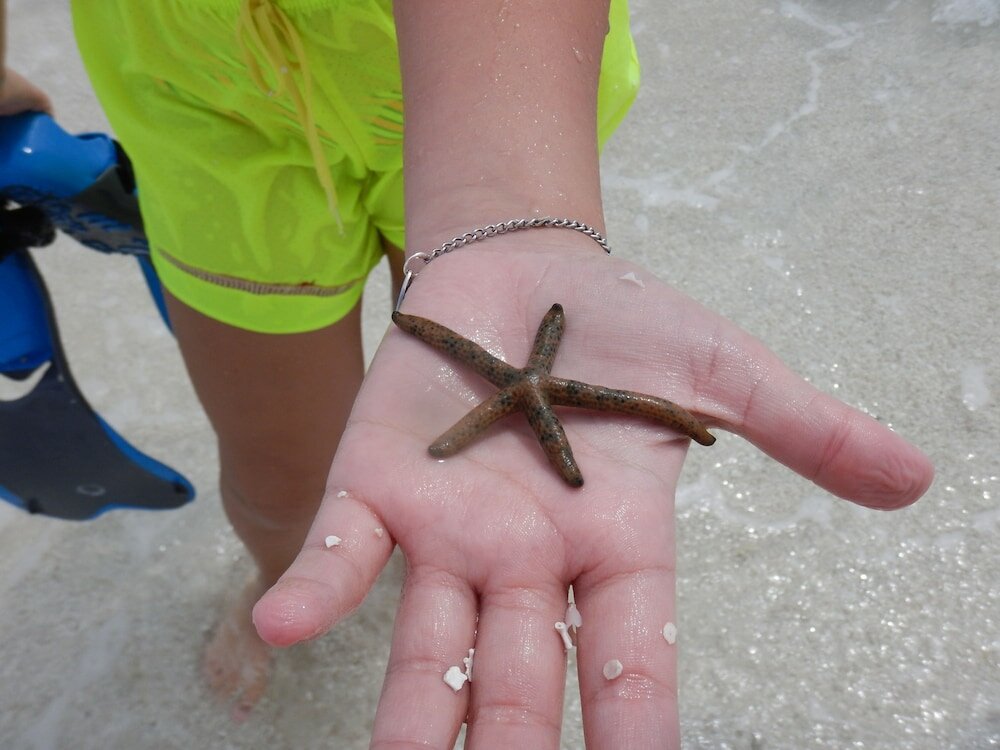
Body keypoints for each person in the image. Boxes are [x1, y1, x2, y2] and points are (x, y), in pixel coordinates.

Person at [2, 1, 934, 746]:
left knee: (443, 340)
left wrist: (518, 214)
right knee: (283, 469)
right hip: (200, 91)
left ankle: (431, 551)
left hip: (494, 73)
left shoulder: (526, 373)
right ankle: (281, 569)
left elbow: (531, 358)